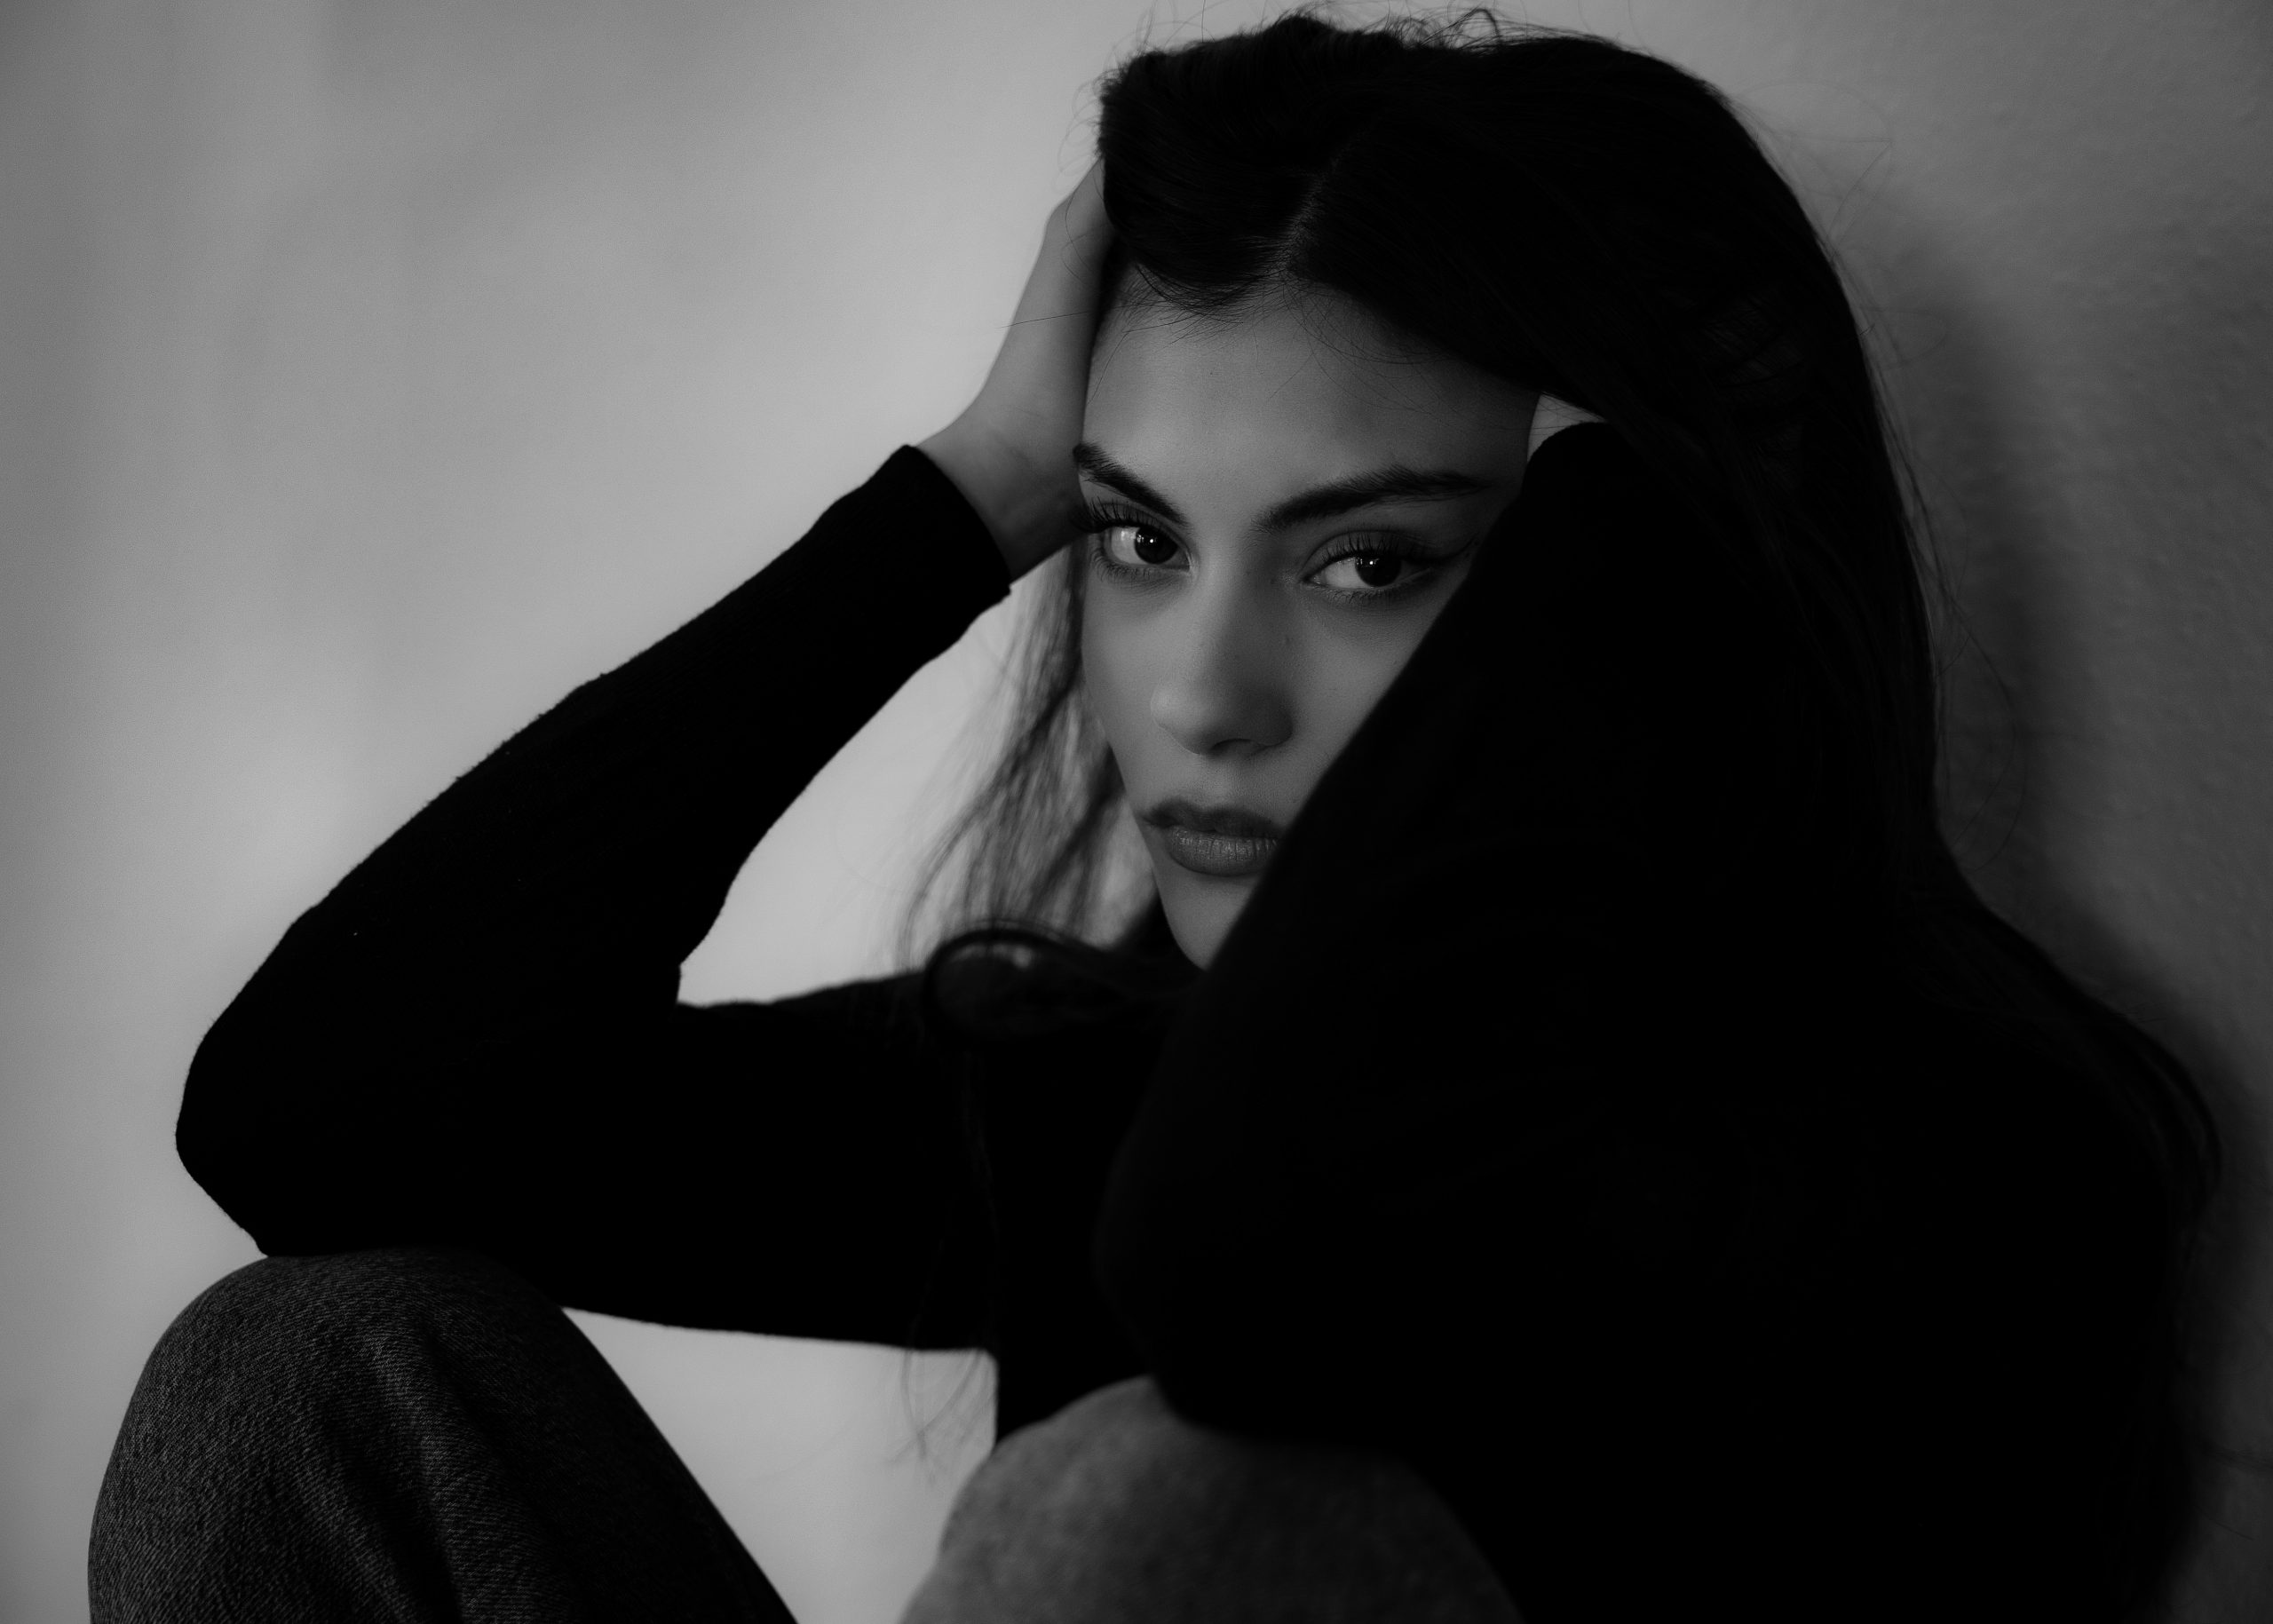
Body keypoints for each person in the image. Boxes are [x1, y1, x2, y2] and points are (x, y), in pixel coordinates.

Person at [91, 12, 2218, 1623]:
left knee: (1156, 1504)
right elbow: (314, 1111)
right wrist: (959, 502)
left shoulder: (1963, 1159)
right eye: (1134, 540)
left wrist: (1649, 514)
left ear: (1618, 593)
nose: (1197, 703)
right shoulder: (1105, 1081)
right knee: (299, 1370)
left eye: (1370, 560)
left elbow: (1244, 1279)